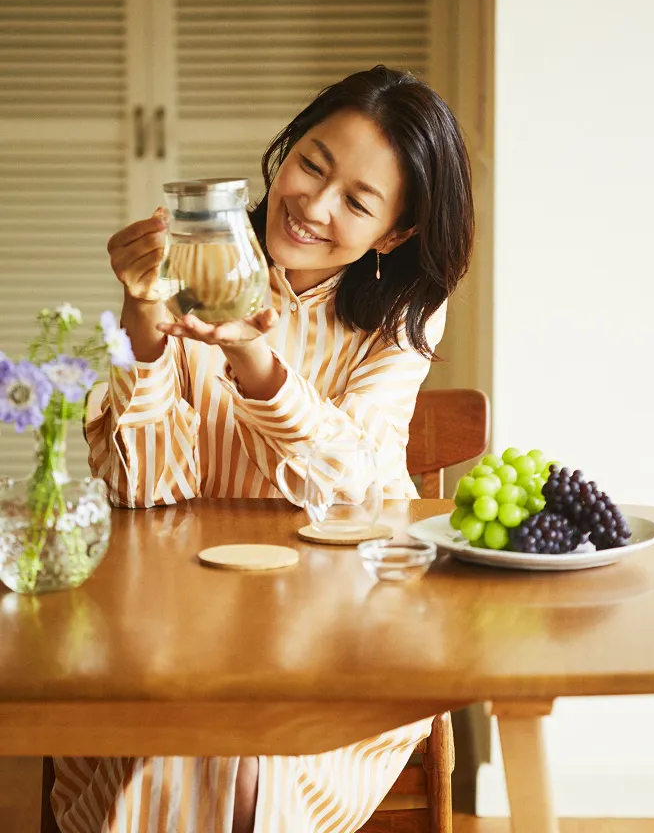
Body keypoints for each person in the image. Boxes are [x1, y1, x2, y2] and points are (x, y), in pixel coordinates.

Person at [52, 66, 474, 833]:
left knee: (232, 741)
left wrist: (256, 361)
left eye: (357, 200)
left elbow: (349, 490)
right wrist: (141, 317)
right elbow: (143, 490)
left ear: (397, 233)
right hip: (175, 617)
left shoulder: (406, 317)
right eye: (313, 163)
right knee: (209, 730)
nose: (313, 204)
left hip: (346, 630)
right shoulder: (194, 263)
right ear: (287, 149)